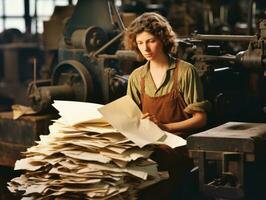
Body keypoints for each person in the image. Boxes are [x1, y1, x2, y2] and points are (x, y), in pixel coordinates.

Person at [123, 12, 211, 199]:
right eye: (140, 43)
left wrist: (166, 127)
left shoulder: (185, 71)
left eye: (151, 41)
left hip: (180, 143)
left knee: (154, 162)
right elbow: (131, 118)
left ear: (163, 39)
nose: (145, 48)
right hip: (150, 141)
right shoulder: (137, 77)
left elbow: (201, 119)